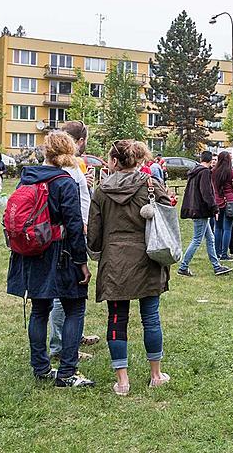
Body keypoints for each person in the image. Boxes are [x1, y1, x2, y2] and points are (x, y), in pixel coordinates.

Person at [6, 131, 94, 387]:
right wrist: (82, 261)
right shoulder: (64, 182)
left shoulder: (27, 179)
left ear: (46, 152)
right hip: (61, 253)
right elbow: (74, 225)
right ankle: (68, 371)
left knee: (39, 309)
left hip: (31, 253)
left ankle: (41, 368)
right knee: (75, 307)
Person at [88, 140, 172, 395]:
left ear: (113, 161)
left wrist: (95, 252)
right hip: (147, 257)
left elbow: (94, 232)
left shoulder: (101, 190)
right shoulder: (151, 185)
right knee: (151, 317)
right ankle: (156, 375)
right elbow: (167, 215)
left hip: (115, 260)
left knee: (116, 318)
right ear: (137, 160)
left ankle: (122, 381)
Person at [48, 120, 99, 362]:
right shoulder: (66, 167)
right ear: (78, 141)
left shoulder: (67, 166)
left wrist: (85, 185)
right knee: (64, 294)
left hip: (71, 232)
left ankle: (72, 336)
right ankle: (60, 345)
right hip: (68, 236)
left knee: (71, 293)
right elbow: (69, 205)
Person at [178, 151, 232, 277]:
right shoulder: (205, 172)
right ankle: (183, 266)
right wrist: (214, 208)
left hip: (196, 209)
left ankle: (217, 266)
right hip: (201, 211)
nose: (215, 162)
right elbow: (206, 193)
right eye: (214, 159)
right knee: (197, 239)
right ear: (209, 160)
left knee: (211, 239)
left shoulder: (195, 171)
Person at [212, 151, 233, 261]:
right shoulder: (231, 172)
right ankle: (224, 254)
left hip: (217, 202)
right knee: (227, 229)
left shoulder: (213, 172)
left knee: (218, 228)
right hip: (230, 201)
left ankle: (217, 253)